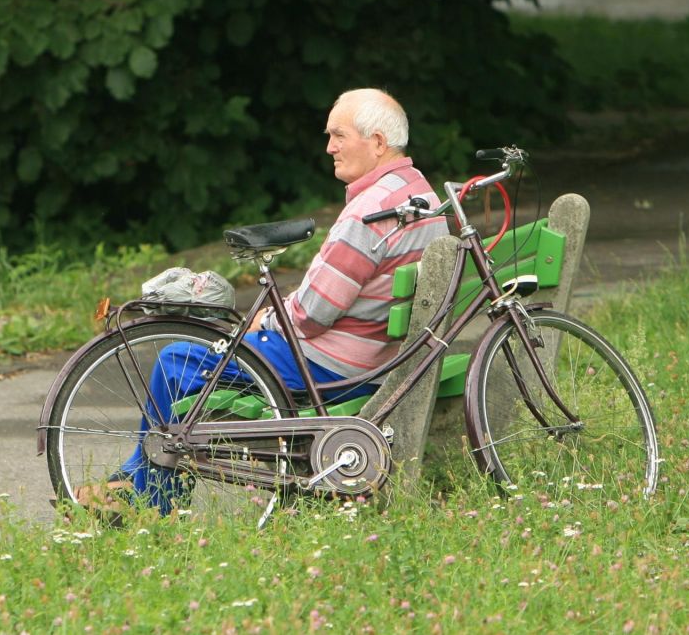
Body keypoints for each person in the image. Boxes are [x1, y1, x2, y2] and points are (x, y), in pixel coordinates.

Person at [76, 88, 448, 512]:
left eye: (339, 135)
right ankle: (132, 482)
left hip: (331, 365)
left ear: (378, 142)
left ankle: (151, 496)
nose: (329, 147)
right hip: (376, 357)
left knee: (178, 360)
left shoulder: (372, 212)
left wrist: (265, 321)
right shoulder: (422, 198)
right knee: (198, 355)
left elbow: (311, 315)